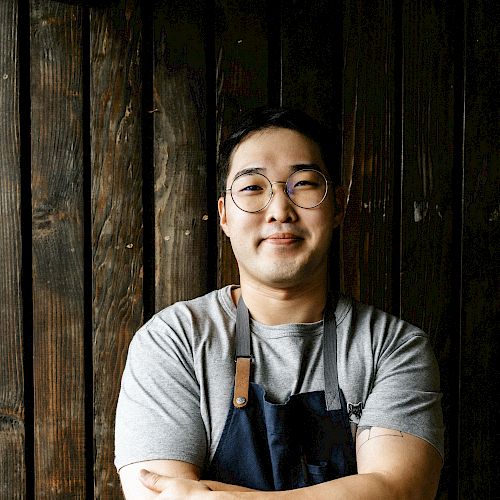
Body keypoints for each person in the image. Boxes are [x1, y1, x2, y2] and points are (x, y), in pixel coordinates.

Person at [115, 107, 444, 499]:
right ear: (223, 215)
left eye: (303, 184)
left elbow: (398, 491)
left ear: (337, 205)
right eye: (253, 187)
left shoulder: (393, 346)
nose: (279, 211)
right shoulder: (174, 341)